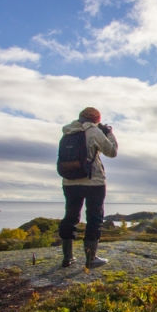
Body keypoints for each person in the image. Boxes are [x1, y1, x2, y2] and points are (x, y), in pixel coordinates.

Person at [58, 107, 118, 268]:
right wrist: (109, 133)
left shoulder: (67, 133)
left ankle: (67, 257)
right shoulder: (93, 131)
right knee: (94, 218)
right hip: (93, 182)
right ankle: (91, 258)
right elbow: (112, 151)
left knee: (70, 216)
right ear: (96, 119)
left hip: (70, 182)